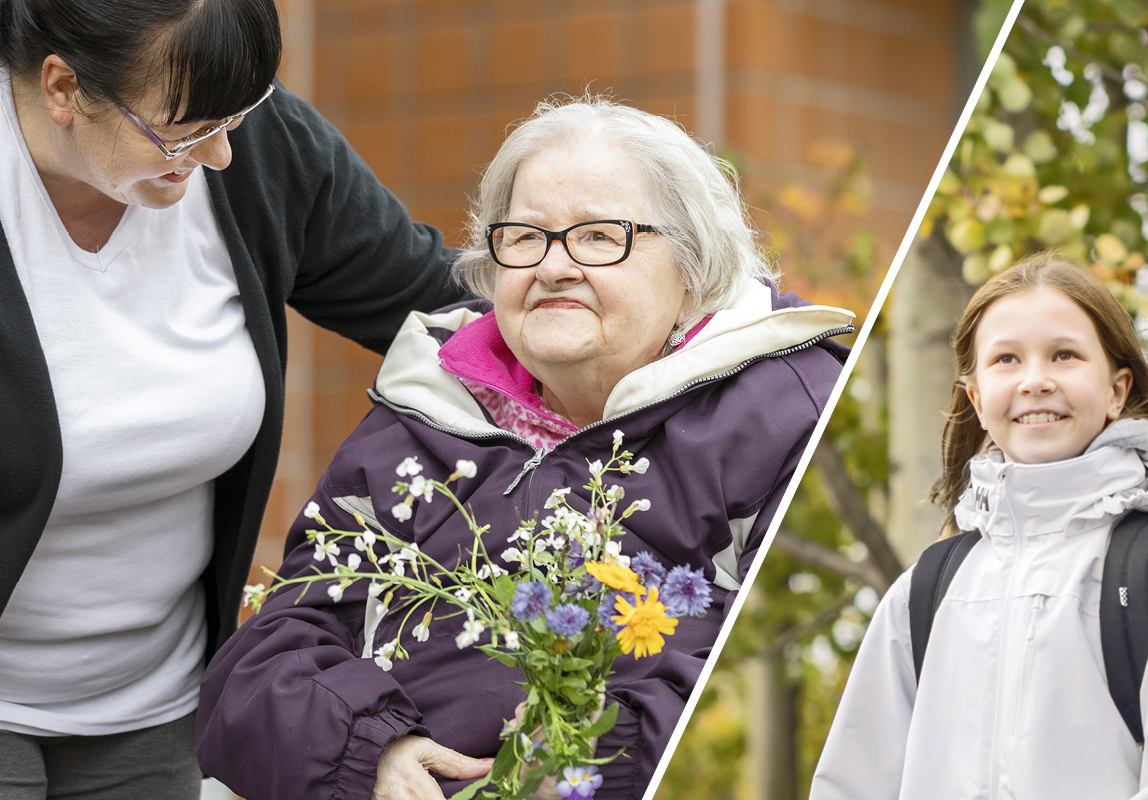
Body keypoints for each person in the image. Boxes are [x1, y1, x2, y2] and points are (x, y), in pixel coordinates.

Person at [194, 97, 855, 800]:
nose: (554, 266)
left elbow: (775, 675)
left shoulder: (789, 412)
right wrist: (371, 755)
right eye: (525, 237)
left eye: (599, 237)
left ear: (693, 266)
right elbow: (263, 665)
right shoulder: (425, 410)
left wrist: (590, 763)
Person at [0, 0, 470, 796]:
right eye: (182, 132)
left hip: (157, 704)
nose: (219, 154)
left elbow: (437, 305)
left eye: (236, 118)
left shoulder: (250, 142)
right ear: (63, 88)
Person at [811, 256, 1148, 800]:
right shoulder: (922, 595)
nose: (1036, 381)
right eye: (1006, 359)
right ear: (976, 399)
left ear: (1116, 390)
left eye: (1065, 355)